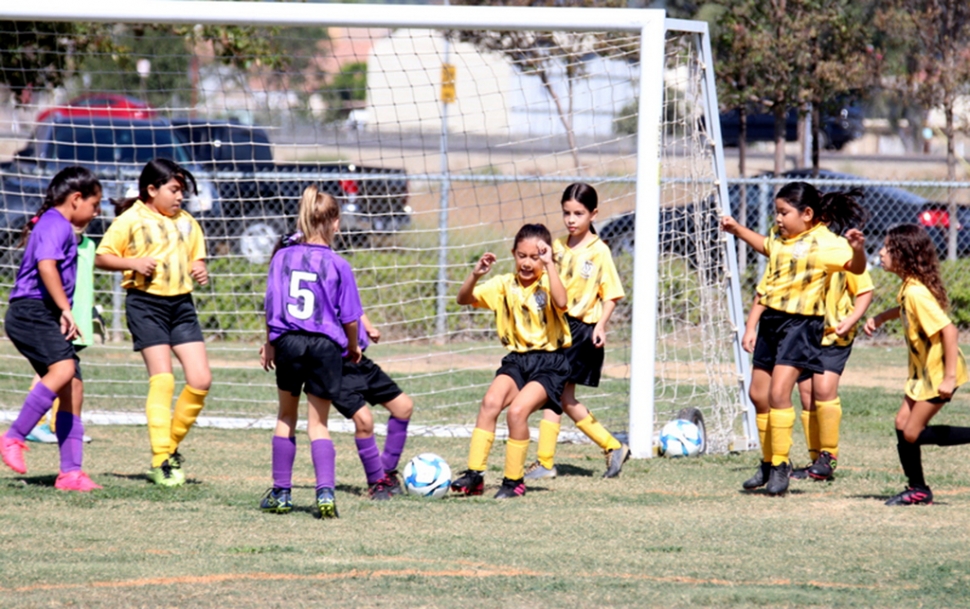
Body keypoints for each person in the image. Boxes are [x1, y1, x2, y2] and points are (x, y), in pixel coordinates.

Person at [721, 182, 866, 496]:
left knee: (778, 393)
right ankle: (768, 460)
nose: (778, 218)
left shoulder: (826, 243)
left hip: (802, 326)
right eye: (776, 212)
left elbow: (855, 267)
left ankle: (780, 465)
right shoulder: (780, 237)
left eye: (784, 212)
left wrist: (857, 250)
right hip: (772, 321)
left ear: (807, 213)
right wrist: (737, 229)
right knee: (758, 394)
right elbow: (766, 248)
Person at [94, 158, 211, 487]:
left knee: (201, 379)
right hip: (146, 305)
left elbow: (196, 259)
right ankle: (162, 459)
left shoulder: (188, 222)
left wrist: (199, 268)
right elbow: (102, 257)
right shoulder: (130, 219)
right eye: (173, 190)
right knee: (163, 380)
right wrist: (132, 262)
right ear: (151, 189)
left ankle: (168, 448)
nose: (179, 198)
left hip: (181, 306)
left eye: (182, 192)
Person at [258, 186, 362, 518]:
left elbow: (272, 304)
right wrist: (354, 347)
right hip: (325, 347)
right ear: (334, 223)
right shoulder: (339, 264)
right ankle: (326, 494)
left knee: (286, 417)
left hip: (288, 342)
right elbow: (350, 317)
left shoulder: (282, 257)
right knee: (319, 424)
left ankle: (282, 493)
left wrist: (270, 342)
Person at [0, 166, 102, 491]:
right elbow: (46, 266)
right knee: (63, 369)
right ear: (76, 199)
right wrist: (65, 309)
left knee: (71, 387)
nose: (96, 212)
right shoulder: (54, 223)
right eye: (94, 204)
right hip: (30, 312)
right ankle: (13, 437)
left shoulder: (57, 224)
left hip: (44, 313)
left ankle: (70, 473)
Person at [452, 223, 572, 499]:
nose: (527, 263)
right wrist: (475, 274)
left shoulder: (548, 281)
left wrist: (550, 265)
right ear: (513, 254)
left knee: (517, 412)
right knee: (490, 403)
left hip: (550, 362)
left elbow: (563, 302)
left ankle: (514, 481)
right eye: (522, 256)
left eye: (534, 257)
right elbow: (463, 299)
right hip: (517, 360)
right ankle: (475, 475)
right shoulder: (504, 284)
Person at [524, 183, 629, 481]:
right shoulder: (555, 247)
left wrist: (601, 325)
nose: (571, 219)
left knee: (553, 393)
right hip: (556, 330)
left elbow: (611, 295)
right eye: (567, 213)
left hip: (581, 331)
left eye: (579, 213)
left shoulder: (600, 252)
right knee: (561, 397)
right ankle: (612, 446)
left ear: (593, 214)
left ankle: (545, 462)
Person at [864, 224, 970, 506]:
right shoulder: (908, 287)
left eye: (887, 248)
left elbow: (949, 331)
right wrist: (880, 318)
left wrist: (948, 379)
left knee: (912, 432)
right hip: (923, 374)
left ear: (904, 254)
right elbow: (902, 309)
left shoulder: (916, 293)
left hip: (939, 373)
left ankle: (919, 489)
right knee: (901, 423)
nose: (881, 252)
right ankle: (918, 489)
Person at [26, 222, 102, 445]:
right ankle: (36, 423)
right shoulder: (55, 245)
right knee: (53, 370)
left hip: (79, 318)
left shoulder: (89, 245)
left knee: (69, 374)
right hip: (58, 317)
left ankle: (59, 426)